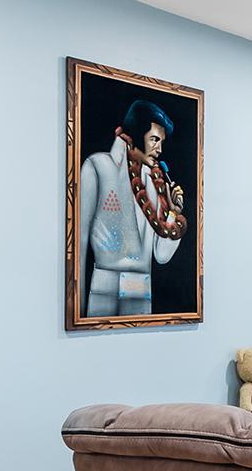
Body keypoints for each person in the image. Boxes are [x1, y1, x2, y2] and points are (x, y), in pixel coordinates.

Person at [76, 98, 190, 317]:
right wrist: (77, 311)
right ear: (138, 133)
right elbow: (79, 243)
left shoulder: (157, 183)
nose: (159, 149)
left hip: (141, 288)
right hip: (102, 287)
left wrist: (174, 212)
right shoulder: (98, 166)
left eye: (161, 141)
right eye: (154, 139)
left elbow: (162, 255)